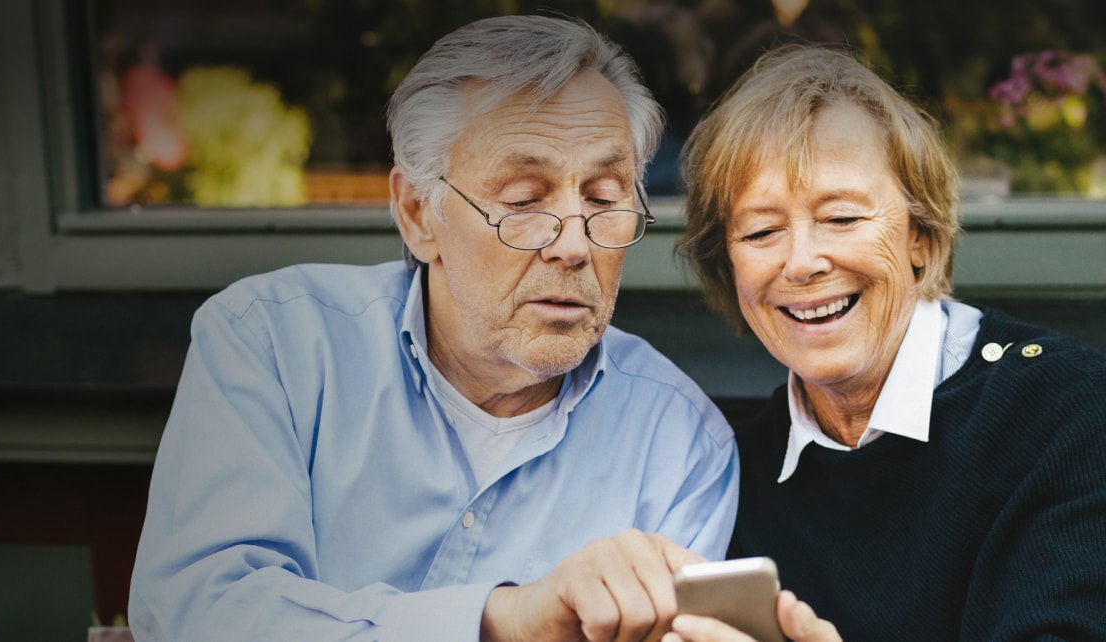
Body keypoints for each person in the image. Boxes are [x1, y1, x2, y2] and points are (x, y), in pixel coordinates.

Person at [129, 15, 741, 642]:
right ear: (418, 214)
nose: (573, 245)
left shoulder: (680, 444)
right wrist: (502, 622)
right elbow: (201, 610)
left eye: (603, 197)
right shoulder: (273, 344)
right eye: (525, 199)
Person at [672, 44, 1106, 641]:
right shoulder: (727, 466)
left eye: (843, 218)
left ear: (920, 237)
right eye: (762, 230)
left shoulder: (1068, 410)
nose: (801, 263)